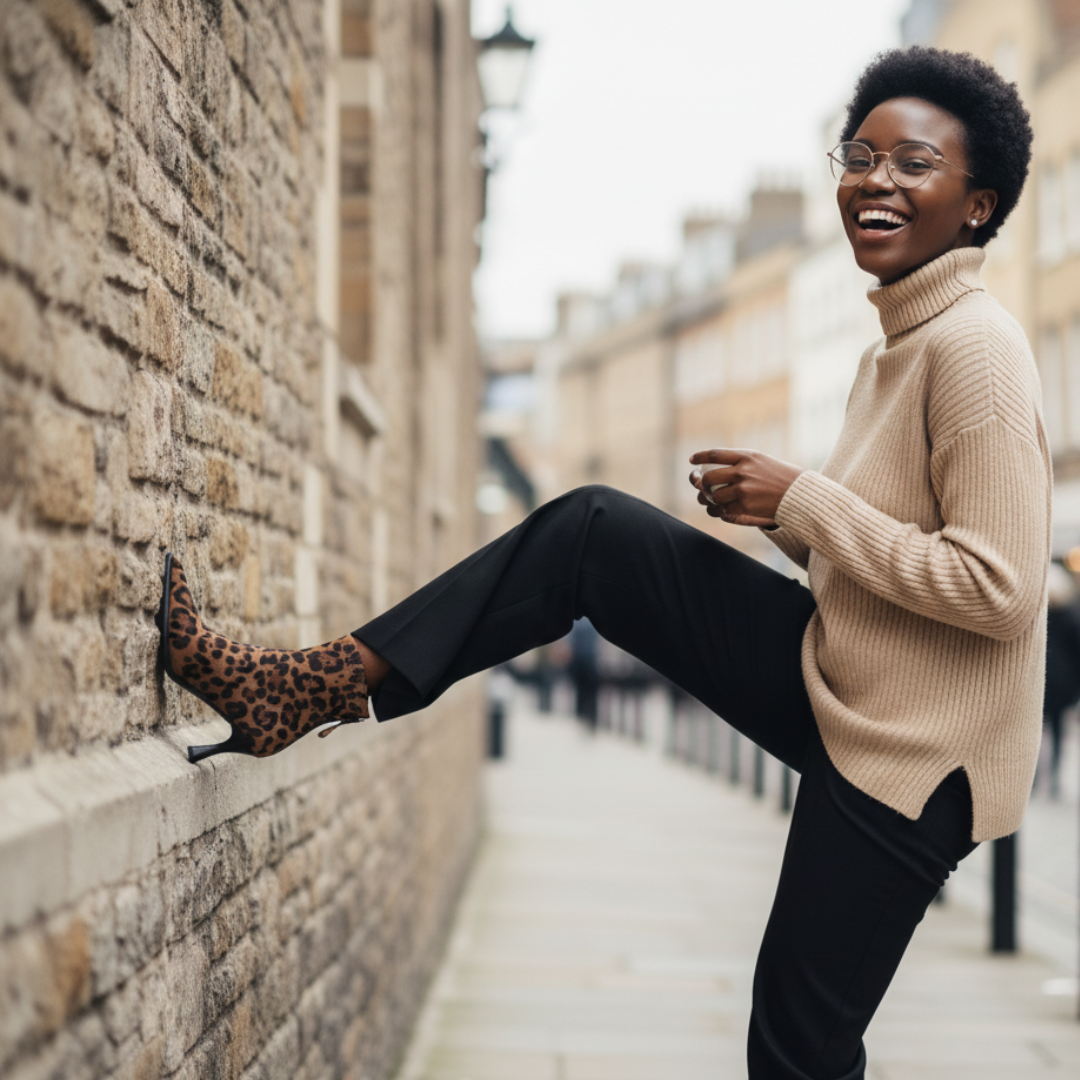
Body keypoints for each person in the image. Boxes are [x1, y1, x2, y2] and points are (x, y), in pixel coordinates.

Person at [158, 46, 1047, 1080]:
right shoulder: (896, 344)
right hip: (849, 681)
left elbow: (1001, 586)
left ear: (977, 207)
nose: (875, 180)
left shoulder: (975, 350)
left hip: (916, 755)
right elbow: (871, 551)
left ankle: (302, 690)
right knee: (592, 534)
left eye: (914, 163)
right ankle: (304, 688)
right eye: (861, 154)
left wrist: (805, 499)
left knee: (798, 1049)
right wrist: (781, 516)